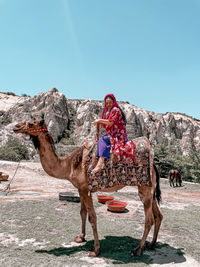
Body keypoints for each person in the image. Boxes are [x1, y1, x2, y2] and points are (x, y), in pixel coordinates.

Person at [92, 93, 136, 174]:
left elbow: (111, 123)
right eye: (107, 103)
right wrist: (100, 121)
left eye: (110, 103)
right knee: (101, 140)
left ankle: (101, 163)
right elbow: (106, 126)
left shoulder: (116, 110)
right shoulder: (109, 112)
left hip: (117, 135)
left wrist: (100, 120)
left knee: (102, 140)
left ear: (114, 102)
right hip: (112, 134)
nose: (108, 105)